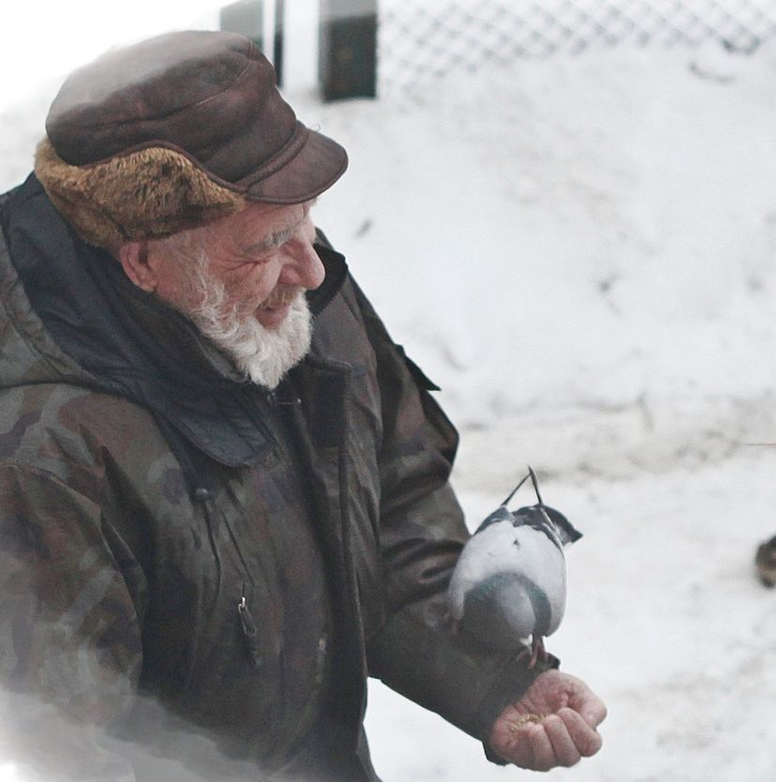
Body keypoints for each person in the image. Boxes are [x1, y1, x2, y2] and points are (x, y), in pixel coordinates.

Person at [0, 30, 604, 780]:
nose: (311, 268)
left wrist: (491, 682)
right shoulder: (41, 455)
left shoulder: (280, 292)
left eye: (306, 220)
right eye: (268, 243)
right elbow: (78, 757)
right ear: (146, 262)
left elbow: (395, 513)